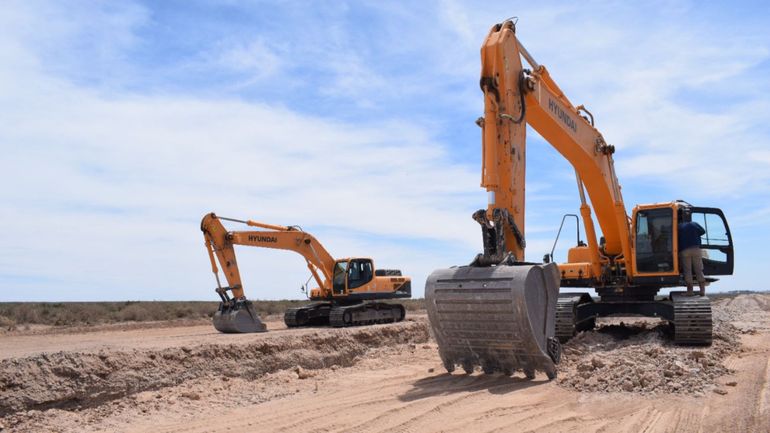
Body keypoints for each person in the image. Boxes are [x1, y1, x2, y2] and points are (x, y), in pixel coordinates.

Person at [678, 209, 707, 296]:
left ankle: (690, 291)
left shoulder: (679, 226)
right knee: (699, 270)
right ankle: (702, 291)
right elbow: (703, 231)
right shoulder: (694, 224)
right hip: (695, 249)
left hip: (685, 250)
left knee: (687, 271)